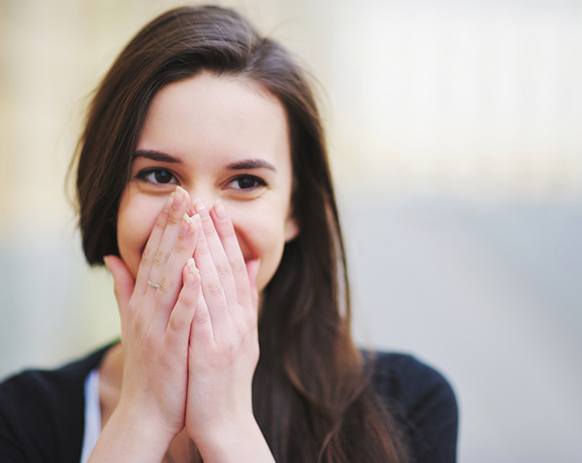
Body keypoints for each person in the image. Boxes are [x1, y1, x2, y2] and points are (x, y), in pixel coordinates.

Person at [0, 4, 458, 463]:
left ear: (294, 211)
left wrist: (226, 427)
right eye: (159, 175)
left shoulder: (405, 406)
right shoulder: (20, 417)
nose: (196, 218)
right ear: (110, 195)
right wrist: (143, 415)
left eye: (245, 183)